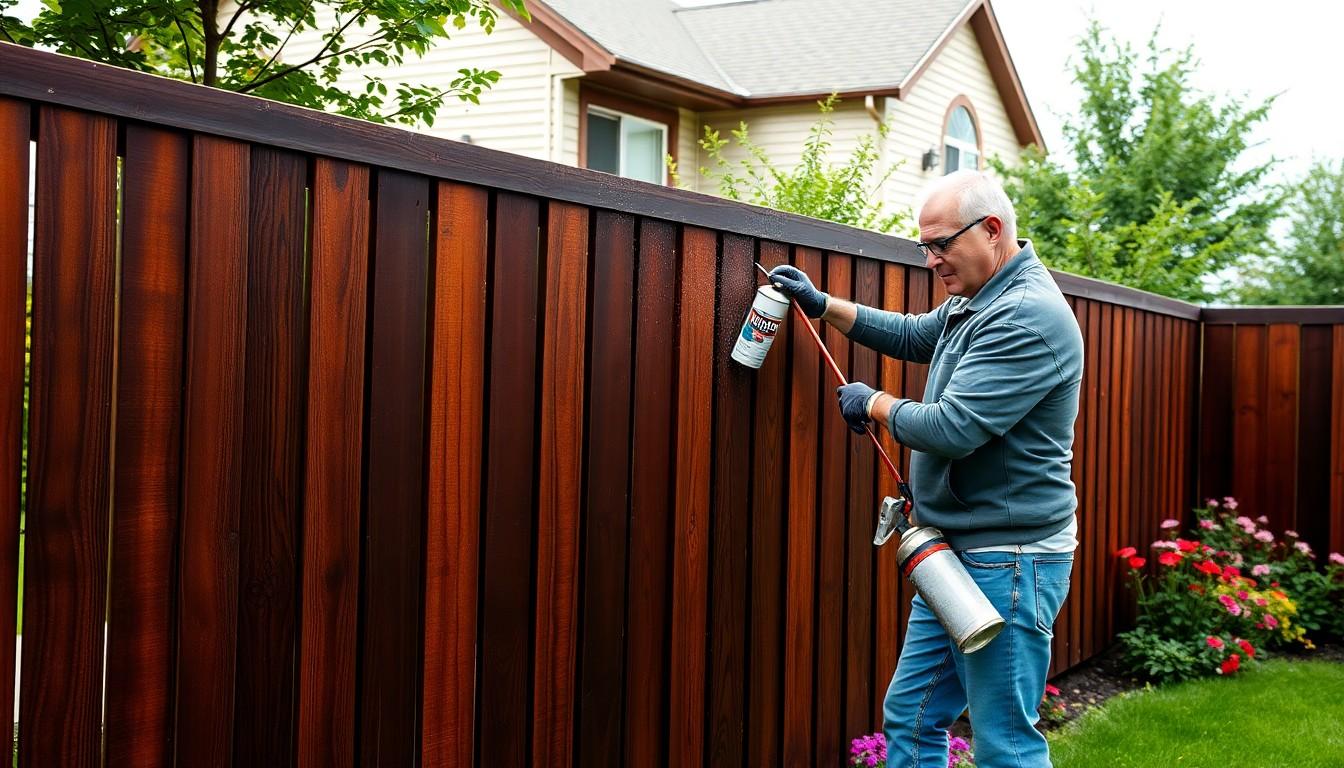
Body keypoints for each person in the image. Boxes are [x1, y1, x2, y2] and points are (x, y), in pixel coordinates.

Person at [768, 170, 1083, 768]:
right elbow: (916, 335)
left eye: (942, 245)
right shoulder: (978, 298)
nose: (932, 260)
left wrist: (877, 403)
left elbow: (953, 428)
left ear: (992, 230)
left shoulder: (1025, 315)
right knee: (911, 718)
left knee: (1005, 743)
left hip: (1010, 561)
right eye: (925, 247)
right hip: (955, 553)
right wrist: (823, 304)